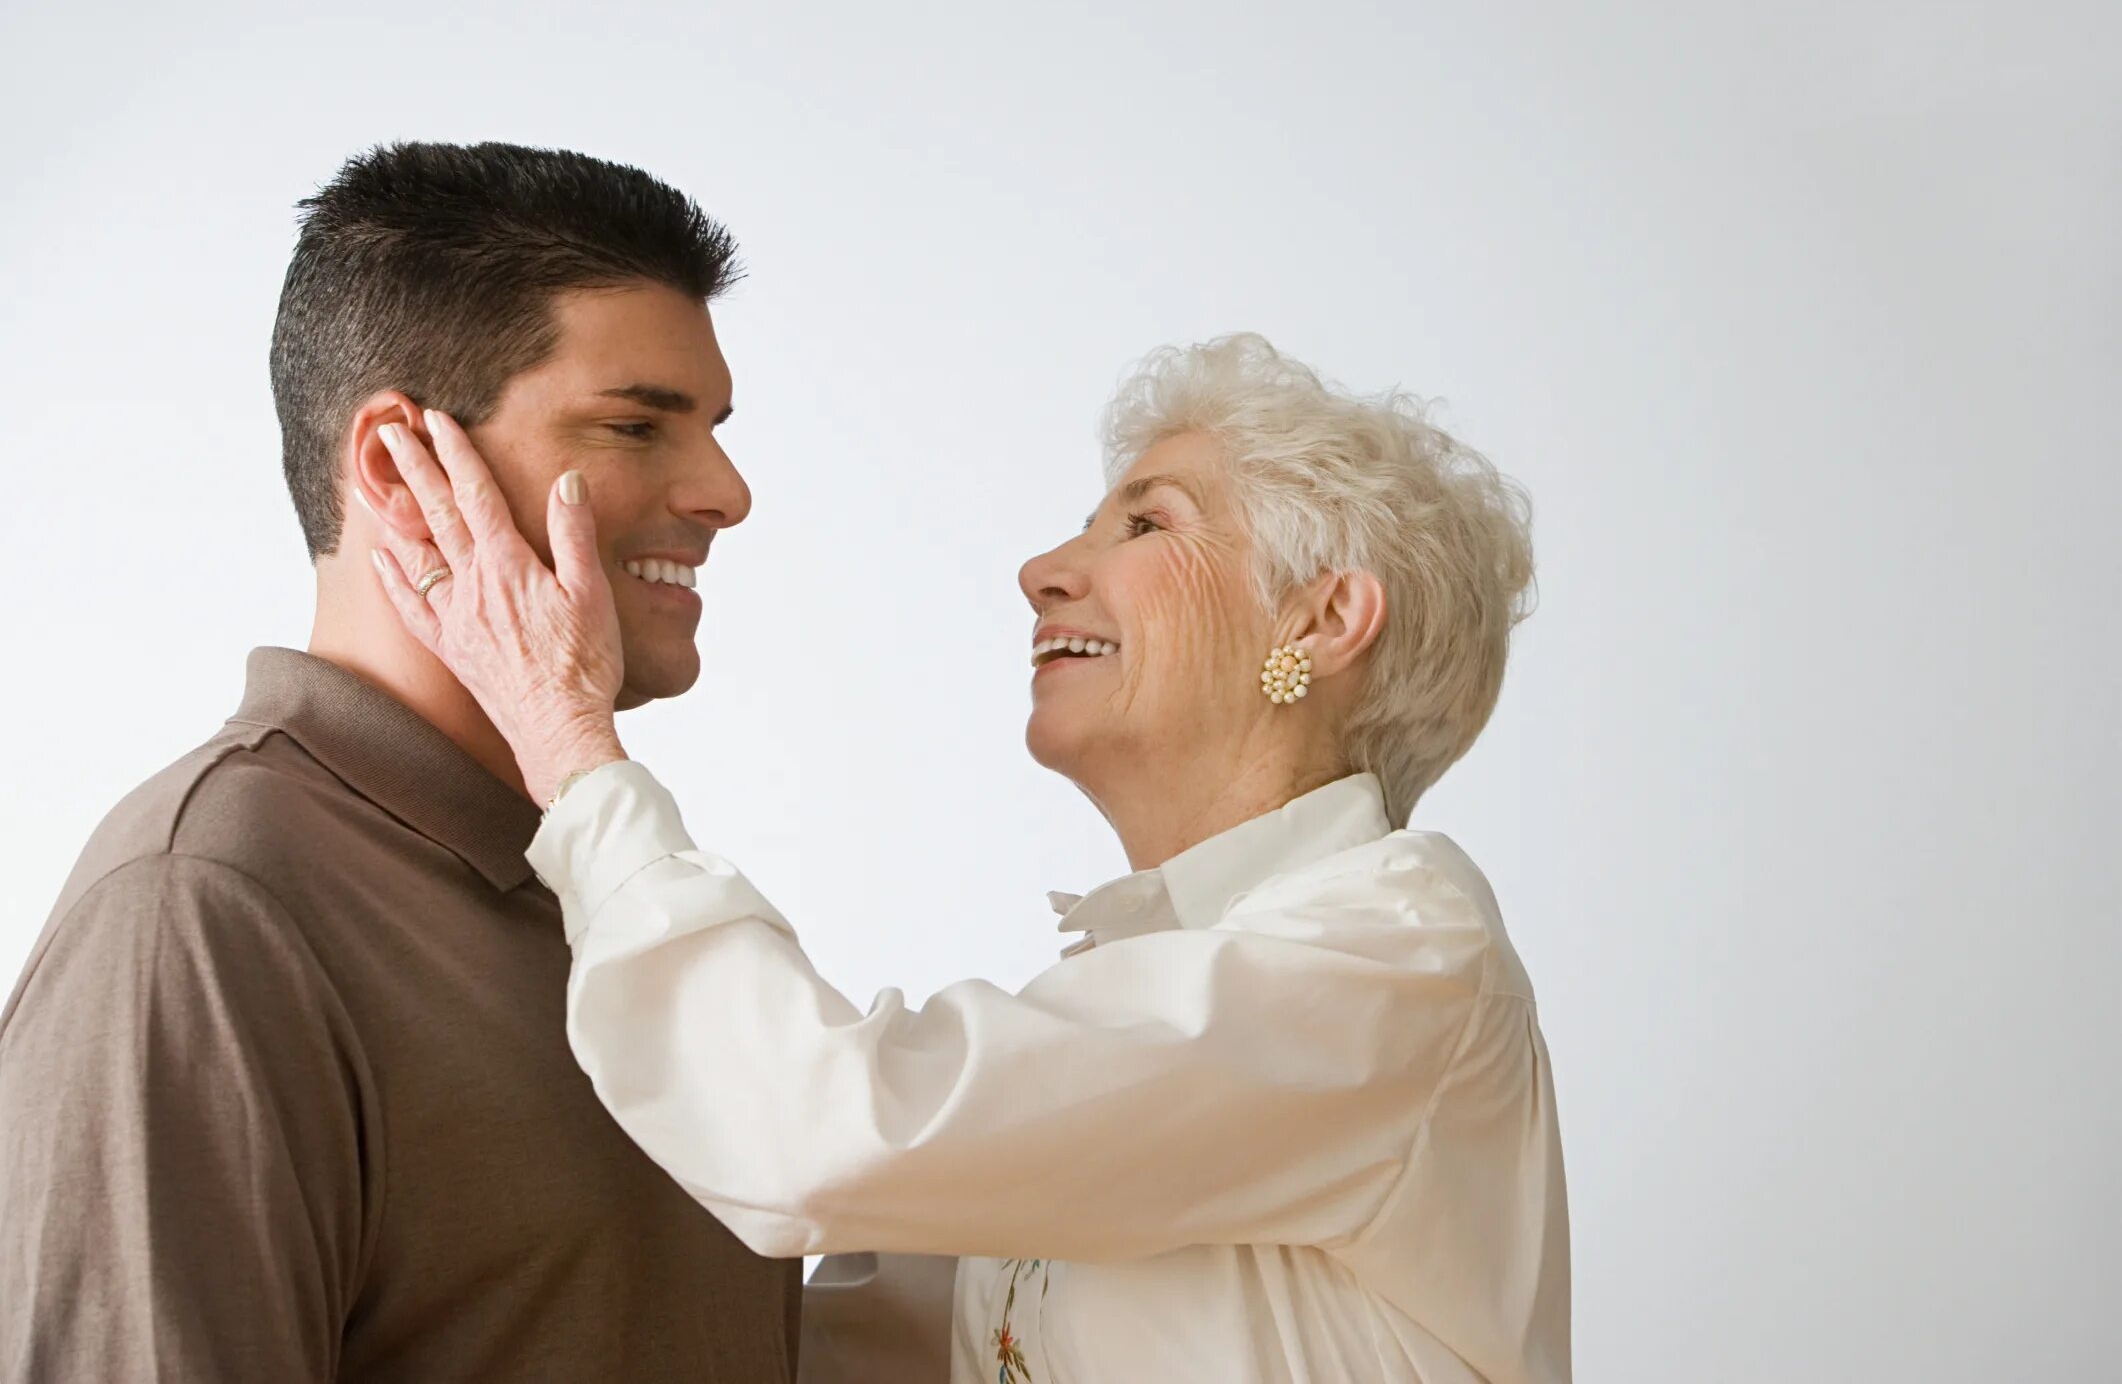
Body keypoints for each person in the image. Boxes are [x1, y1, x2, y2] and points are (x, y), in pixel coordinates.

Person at [371, 331, 1571, 1382]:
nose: (1040, 567)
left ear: (1318, 620)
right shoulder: (1134, 1011)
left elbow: (822, 1131)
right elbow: (803, 1336)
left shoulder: (1400, 953)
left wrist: (569, 741)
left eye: (1147, 521)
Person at [0, 142, 804, 1381]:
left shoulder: (615, 878)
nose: (726, 492)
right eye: (637, 424)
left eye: (713, 428)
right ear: (395, 467)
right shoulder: (202, 908)